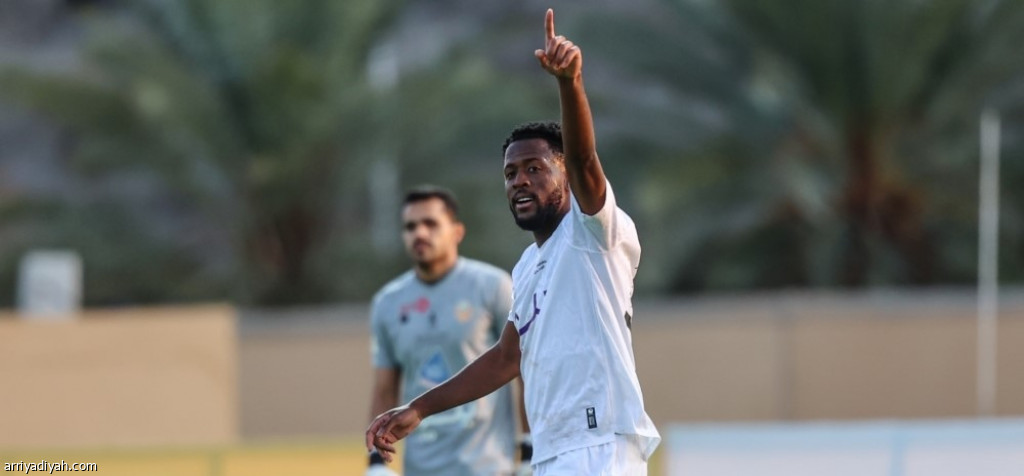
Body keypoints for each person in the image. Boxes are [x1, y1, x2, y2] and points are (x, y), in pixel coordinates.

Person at [367, 8, 660, 475]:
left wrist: (569, 82)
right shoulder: (527, 265)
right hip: (553, 452)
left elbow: (584, 162)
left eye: (535, 169)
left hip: (599, 448)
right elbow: (507, 357)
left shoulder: (592, 233)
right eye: (510, 173)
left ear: (565, 177)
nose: (519, 181)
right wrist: (419, 408)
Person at [366, 186, 531, 476]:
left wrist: (530, 447)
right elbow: (384, 388)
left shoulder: (493, 286)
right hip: (420, 469)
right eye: (410, 226)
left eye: (430, 223)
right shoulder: (387, 302)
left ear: (457, 232)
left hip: (488, 468)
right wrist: (376, 462)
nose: (419, 233)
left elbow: (522, 370)